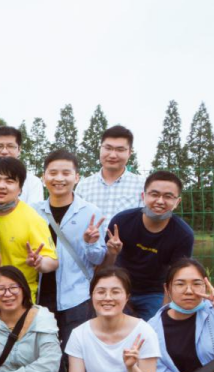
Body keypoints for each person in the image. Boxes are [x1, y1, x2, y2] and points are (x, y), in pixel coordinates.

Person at [34, 150, 106, 349]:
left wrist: (90, 243)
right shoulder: (33, 211)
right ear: (43, 178)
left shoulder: (90, 212)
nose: (59, 178)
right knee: (44, 353)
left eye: (66, 173)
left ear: (76, 177)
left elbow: (98, 259)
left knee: (75, 353)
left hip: (77, 297)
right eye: (53, 173)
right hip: (40, 297)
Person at [102, 170, 194, 320]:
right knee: (114, 328)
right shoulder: (122, 221)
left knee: (152, 329)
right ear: (143, 196)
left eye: (168, 196)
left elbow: (175, 276)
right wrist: (112, 253)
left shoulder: (183, 234)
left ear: (177, 202)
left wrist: (164, 313)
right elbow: (105, 266)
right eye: (154, 194)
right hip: (120, 285)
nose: (160, 201)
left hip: (154, 292)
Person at [0, 156, 58, 306]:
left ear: (20, 189)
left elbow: (53, 261)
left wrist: (39, 262)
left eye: (9, 181)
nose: (1, 186)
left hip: (19, 300)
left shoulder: (33, 219)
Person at [75, 125, 144, 217]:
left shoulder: (141, 185)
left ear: (129, 153)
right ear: (100, 148)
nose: (112, 155)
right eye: (108, 148)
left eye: (120, 150)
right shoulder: (84, 186)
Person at [0, 126, 45, 207]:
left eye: (10, 146)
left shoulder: (34, 182)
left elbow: (33, 212)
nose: (4, 151)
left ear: (19, 150)